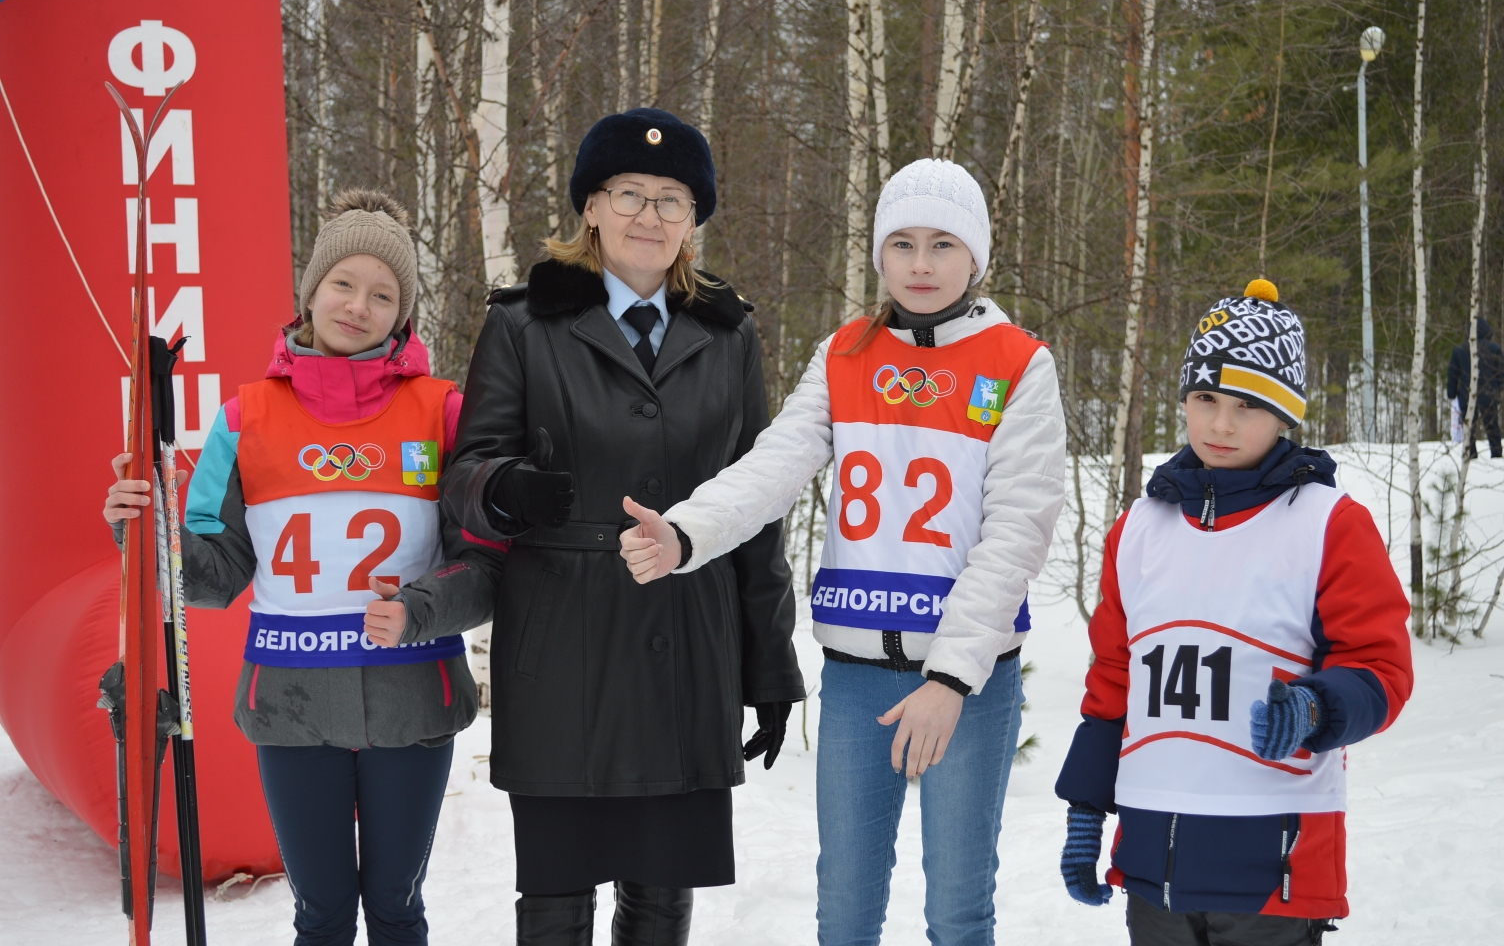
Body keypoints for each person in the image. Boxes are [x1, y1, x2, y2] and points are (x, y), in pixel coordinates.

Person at [620, 158, 1068, 946]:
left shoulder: (1017, 363)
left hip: (967, 686)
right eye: (901, 244)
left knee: (959, 914)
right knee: (845, 910)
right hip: (859, 679)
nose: (921, 265)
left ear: (977, 258)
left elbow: (1015, 534)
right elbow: (773, 465)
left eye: (942, 245)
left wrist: (951, 676)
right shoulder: (844, 355)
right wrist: (686, 530)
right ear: (879, 254)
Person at [420, 107, 805, 946]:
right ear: (590, 208)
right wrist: (510, 487)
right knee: (556, 890)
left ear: (693, 220)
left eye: (673, 199)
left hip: (686, 641)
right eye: (629, 192)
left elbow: (757, 503)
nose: (650, 215)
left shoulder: (727, 333)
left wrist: (769, 662)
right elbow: (466, 475)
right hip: (565, 641)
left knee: (663, 889)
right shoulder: (523, 325)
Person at [104, 190, 500, 946]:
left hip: (412, 702)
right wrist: (146, 533)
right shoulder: (244, 417)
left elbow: (483, 568)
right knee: (320, 916)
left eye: (383, 294)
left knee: (395, 907)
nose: (358, 306)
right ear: (311, 290)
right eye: (343, 284)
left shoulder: (444, 411)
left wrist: (418, 608)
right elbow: (214, 576)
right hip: (291, 707)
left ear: (403, 312)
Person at [1053, 279, 1415, 945]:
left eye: (1248, 406)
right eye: (1206, 398)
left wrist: (1314, 707)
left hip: (1271, 869)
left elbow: (1380, 668)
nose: (1221, 423)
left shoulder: (1329, 524)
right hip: (1152, 870)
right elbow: (1114, 682)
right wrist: (1085, 810)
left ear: (1285, 417)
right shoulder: (1137, 529)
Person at [1445, 317, 1503, 459]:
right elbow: (1501, 372)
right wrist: (1498, 389)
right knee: (1492, 425)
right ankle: (1496, 454)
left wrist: (1451, 394)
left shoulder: (1459, 350)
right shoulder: (1494, 348)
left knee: (1469, 426)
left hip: (1467, 394)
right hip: (1490, 394)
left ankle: (1471, 454)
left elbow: (1453, 374)